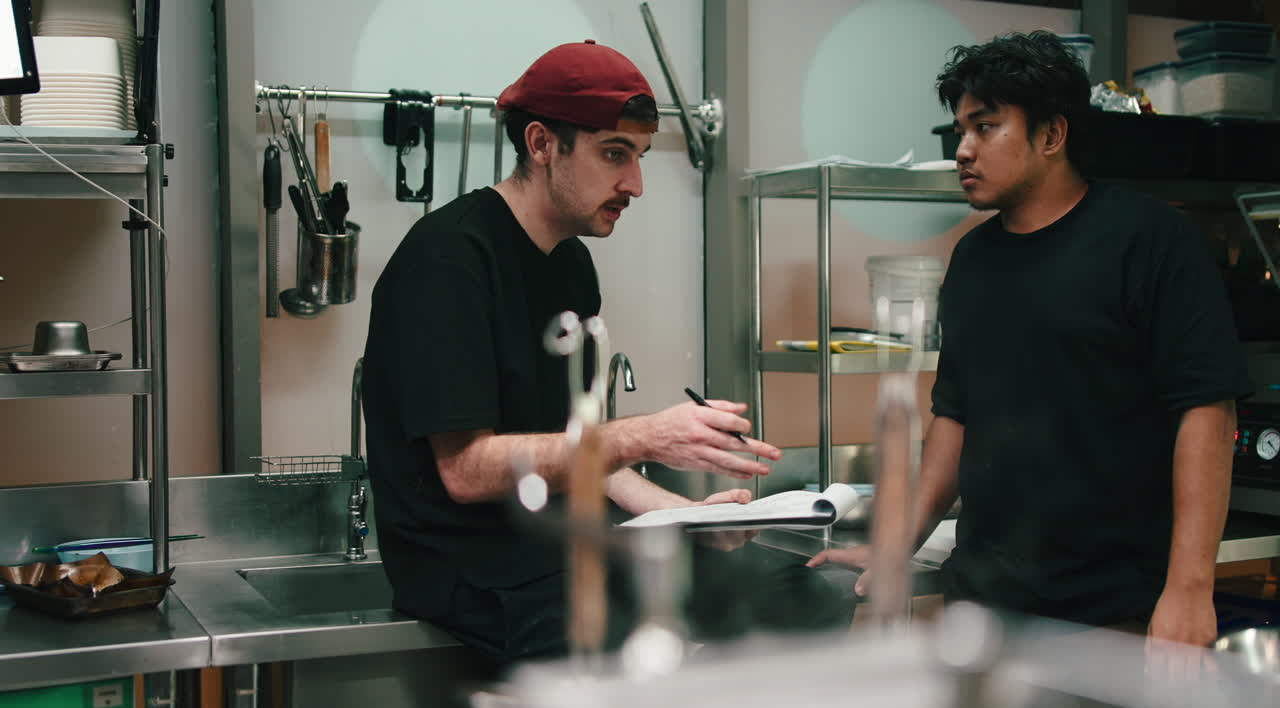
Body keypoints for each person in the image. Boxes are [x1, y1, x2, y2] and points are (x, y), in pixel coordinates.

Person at [362, 40, 849, 663]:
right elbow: (467, 471)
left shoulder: (571, 265)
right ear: (541, 144)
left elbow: (574, 444)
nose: (636, 184)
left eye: (640, 157)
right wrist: (644, 435)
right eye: (614, 154)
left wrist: (685, 516)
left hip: (568, 540)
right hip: (476, 567)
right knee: (640, 651)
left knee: (805, 596)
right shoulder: (447, 262)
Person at [810, 31, 1251, 647]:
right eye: (960, 129)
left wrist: (1189, 588)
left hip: (1115, 610)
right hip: (986, 606)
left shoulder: (1149, 240)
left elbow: (1205, 411)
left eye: (985, 127)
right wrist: (894, 545)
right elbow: (954, 417)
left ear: (1051, 134)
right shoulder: (972, 259)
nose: (962, 150)